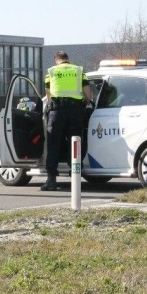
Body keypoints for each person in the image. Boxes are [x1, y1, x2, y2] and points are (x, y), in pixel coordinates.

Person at [41, 51, 93, 191]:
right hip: (75, 113)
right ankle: (75, 178)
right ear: (68, 60)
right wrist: (85, 104)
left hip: (57, 113)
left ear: (56, 60)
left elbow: (48, 96)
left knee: (53, 146)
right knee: (75, 144)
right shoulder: (78, 71)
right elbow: (88, 94)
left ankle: (51, 180)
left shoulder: (51, 72)